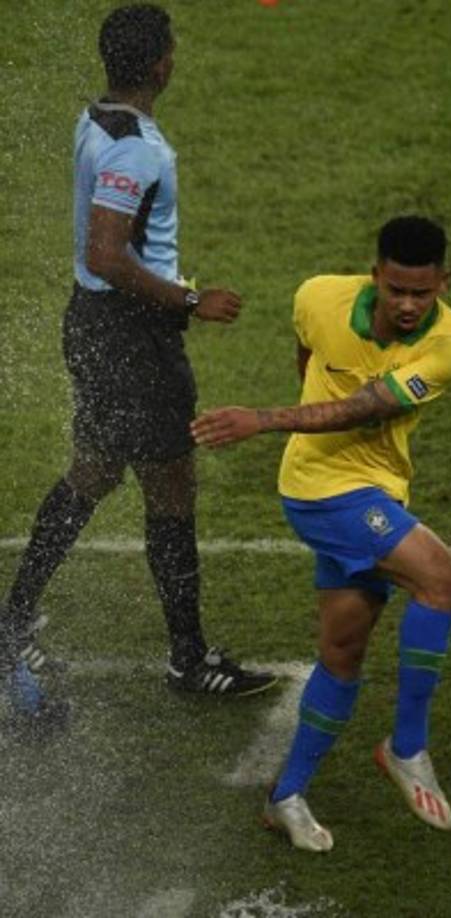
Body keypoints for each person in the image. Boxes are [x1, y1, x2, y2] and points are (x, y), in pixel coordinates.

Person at [0, 3, 276, 733]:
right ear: (159, 64)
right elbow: (105, 253)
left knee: (93, 471)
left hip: (96, 328)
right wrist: (190, 299)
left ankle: (14, 620)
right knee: (171, 484)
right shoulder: (136, 151)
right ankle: (188, 658)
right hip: (131, 339)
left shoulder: (97, 119)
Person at [191, 215, 451, 851]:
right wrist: (288, 425)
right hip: (320, 489)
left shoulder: (450, 346)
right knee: (439, 578)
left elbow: (367, 406)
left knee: (342, 655)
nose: (407, 304)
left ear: (443, 285)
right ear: (376, 274)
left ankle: (285, 795)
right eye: (396, 288)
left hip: (379, 489)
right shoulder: (319, 296)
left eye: (421, 293)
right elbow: (307, 352)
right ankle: (407, 748)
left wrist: (263, 419)